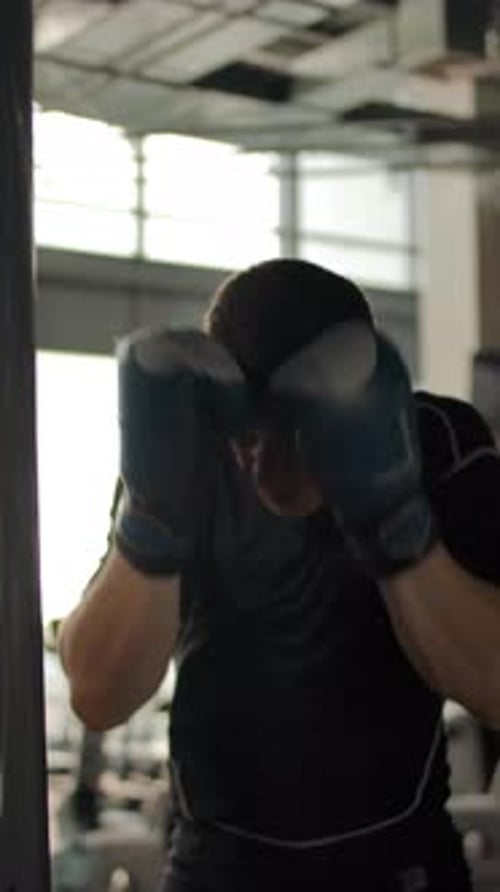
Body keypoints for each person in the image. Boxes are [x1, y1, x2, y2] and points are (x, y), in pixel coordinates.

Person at [58, 258, 500, 892]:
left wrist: (399, 524)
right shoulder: (188, 449)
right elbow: (98, 696)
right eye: (249, 436)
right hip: (215, 867)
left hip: (401, 865)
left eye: (296, 433)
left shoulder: (437, 443)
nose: (265, 468)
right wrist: (151, 523)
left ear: (363, 403)